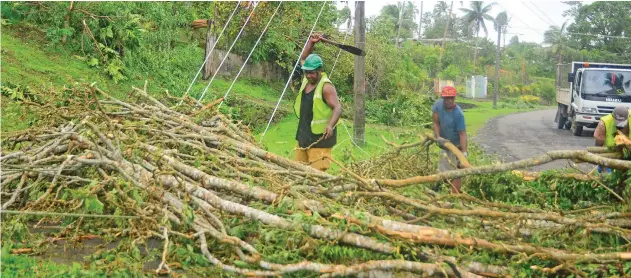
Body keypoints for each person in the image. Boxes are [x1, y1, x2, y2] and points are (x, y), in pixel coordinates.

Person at [293, 33, 342, 172]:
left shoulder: (326, 86)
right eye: (306, 72)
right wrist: (311, 43)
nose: (308, 75)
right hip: (304, 135)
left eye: (312, 73)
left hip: (320, 139)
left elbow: (337, 107)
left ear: (319, 70)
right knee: (297, 171)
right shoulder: (306, 79)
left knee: (316, 176)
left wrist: (330, 126)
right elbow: (303, 59)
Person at [432, 86, 467, 193]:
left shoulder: (458, 114)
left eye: (452, 98)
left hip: (457, 145)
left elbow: (462, 134)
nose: (450, 100)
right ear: (443, 98)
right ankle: (439, 189)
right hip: (445, 144)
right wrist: (438, 137)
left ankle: (454, 196)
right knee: (443, 170)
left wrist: (464, 152)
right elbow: (435, 122)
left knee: (457, 171)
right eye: (447, 98)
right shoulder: (437, 106)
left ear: (454, 98)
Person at [593, 105, 630, 173]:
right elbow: (598, 149)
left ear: (628, 117)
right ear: (613, 117)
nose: (620, 126)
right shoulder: (604, 124)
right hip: (610, 158)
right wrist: (604, 169)